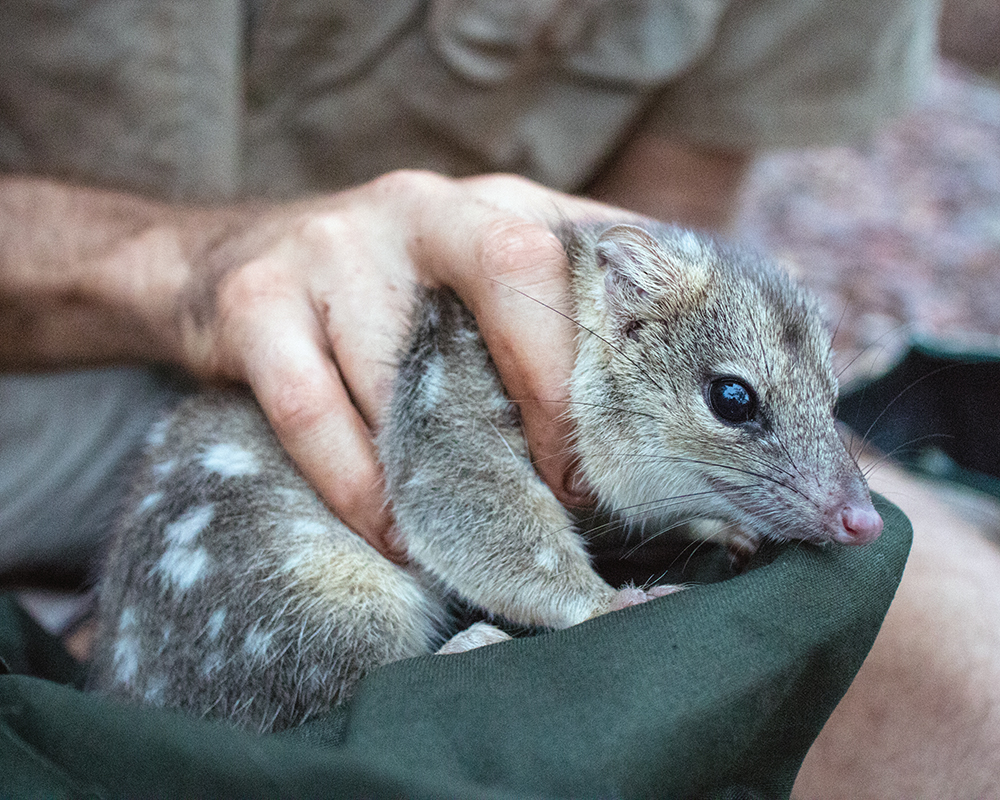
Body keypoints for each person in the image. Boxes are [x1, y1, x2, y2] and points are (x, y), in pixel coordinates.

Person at [6, 1, 999, 796]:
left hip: (375, 404)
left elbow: (662, 229)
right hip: (42, 383)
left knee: (955, 654)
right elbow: (457, 495)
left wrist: (682, 493)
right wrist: (189, 264)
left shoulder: (647, 322)